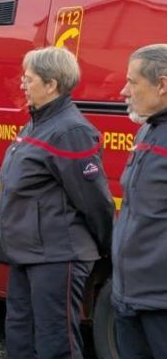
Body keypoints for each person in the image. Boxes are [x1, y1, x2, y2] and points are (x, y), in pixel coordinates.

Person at [0, 47, 113, 359]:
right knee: (20, 338)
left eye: (29, 78)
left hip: (57, 255)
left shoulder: (70, 131)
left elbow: (95, 201)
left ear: (52, 84)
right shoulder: (39, 121)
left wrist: (107, 246)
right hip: (28, 251)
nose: (23, 84)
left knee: (55, 344)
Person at [113, 44, 167, 358]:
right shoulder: (146, 130)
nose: (123, 91)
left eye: (133, 83)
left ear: (161, 85)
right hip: (128, 295)